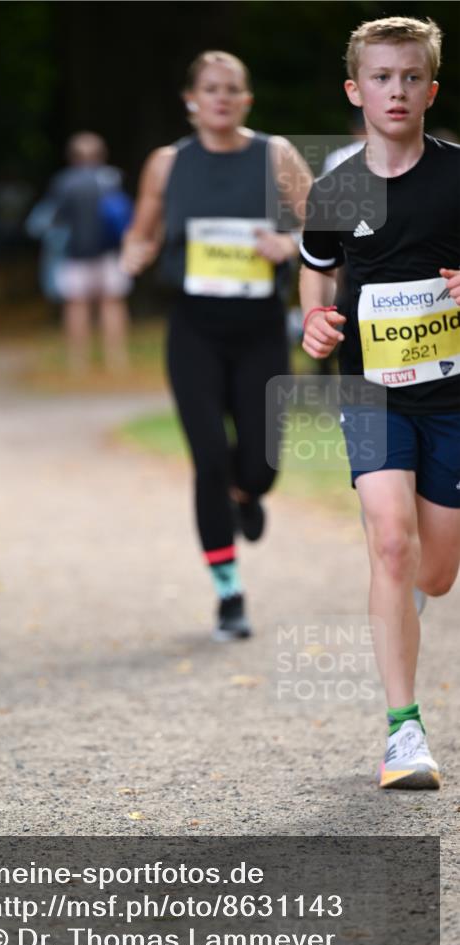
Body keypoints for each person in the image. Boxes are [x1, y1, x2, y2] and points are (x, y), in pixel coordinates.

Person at [300, 16, 460, 789]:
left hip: (452, 397)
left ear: (430, 88)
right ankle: (403, 734)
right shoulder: (336, 187)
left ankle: (410, 606)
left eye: (409, 78)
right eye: (380, 77)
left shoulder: (458, 175)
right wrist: (315, 318)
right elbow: (316, 267)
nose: (394, 90)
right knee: (389, 543)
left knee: (434, 572)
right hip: (370, 395)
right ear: (354, 89)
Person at [121, 51, 312, 640]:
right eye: (211, 89)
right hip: (194, 330)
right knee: (208, 459)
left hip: (259, 329)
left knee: (260, 466)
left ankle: (247, 491)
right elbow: (142, 232)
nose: (222, 98)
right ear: (191, 100)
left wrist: (289, 244)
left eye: (233, 89)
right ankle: (229, 596)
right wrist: (134, 253)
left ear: (247, 100)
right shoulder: (167, 163)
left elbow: (324, 228)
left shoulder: (275, 154)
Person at [47, 132, 132, 373]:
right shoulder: (112, 178)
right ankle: (117, 360)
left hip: (75, 254)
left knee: (77, 305)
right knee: (112, 304)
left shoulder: (64, 182)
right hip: (110, 253)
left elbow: (56, 219)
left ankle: (78, 362)